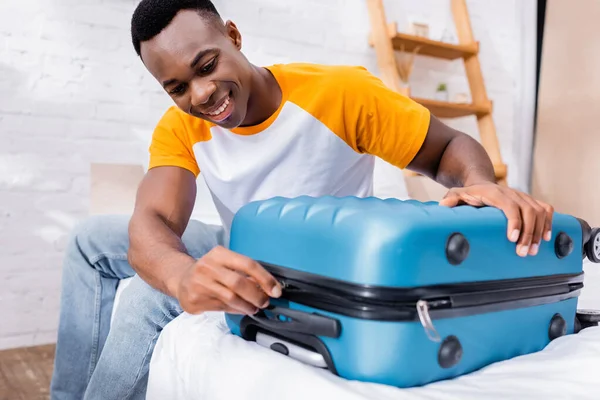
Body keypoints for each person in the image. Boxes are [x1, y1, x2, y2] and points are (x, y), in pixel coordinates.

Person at [49, 0, 555, 399]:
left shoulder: (339, 94)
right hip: (238, 239)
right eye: (178, 87)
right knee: (93, 240)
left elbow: (447, 147)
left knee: (142, 294)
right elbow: (153, 220)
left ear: (233, 36)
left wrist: (479, 181)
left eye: (207, 65)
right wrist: (181, 276)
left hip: (314, 258)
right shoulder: (181, 126)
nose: (201, 95)